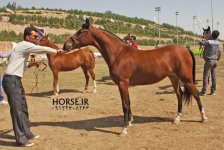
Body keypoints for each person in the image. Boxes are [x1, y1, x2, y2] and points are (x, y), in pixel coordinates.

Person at [2, 26, 62, 147]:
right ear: (27, 36)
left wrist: (32, 64)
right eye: (35, 36)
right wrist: (56, 51)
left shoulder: (22, 47)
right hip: (12, 81)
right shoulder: (25, 45)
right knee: (17, 111)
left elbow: (18, 63)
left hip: (15, 80)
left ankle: (27, 133)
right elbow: (40, 48)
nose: (36, 38)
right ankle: (20, 139)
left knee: (23, 109)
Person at [200, 30, 220, 96]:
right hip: (215, 61)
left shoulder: (208, 42)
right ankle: (213, 91)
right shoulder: (217, 42)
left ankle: (204, 91)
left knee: (206, 76)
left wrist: (203, 39)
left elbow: (201, 43)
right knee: (213, 76)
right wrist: (207, 38)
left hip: (209, 61)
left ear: (212, 35)